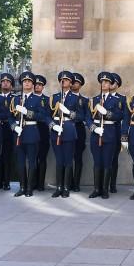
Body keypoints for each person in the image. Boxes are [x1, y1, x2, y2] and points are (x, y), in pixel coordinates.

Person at [9, 71, 51, 197]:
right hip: (18, 133)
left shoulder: (38, 99)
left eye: (29, 81)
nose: (26, 83)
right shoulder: (15, 99)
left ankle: (29, 188)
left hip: (32, 132)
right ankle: (22, 186)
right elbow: (10, 116)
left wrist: (27, 112)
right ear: (22, 84)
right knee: (20, 161)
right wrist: (14, 126)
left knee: (32, 161)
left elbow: (42, 116)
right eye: (24, 81)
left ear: (32, 84)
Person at [87, 71, 125, 199]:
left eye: (107, 82)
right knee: (97, 162)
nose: (104, 84)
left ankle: (105, 189)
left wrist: (107, 113)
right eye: (102, 82)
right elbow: (88, 118)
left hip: (109, 133)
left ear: (111, 84)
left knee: (107, 162)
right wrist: (93, 128)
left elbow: (120, 115)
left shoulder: (116, 100)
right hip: (96, 133)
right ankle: (96, 188)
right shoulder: (94, 100)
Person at [50, 70, 81, 198]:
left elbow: (81, 115)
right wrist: (52, 125)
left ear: (71, 83)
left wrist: (68, 113)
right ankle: (58, 187)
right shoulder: (54, 97)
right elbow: (47, 114)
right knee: (59, 160)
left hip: (68, 129)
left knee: (68, 160)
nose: (64, 82)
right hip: (56, 128)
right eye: (62, 80)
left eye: (67, 80)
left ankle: (66, 187)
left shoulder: (76, 98)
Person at [0, 72, 17, 191]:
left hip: (9, 129)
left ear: (11, 85)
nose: (5, 83)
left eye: (8, 82)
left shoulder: (14, 98)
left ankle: (6, 182)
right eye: (3, 81)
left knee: (7, 156)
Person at [70, 72, 87, 192]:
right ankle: (68, 181)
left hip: (79, 129)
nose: (73, 84)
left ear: (80, 85)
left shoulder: (84, 100)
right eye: (73, 82)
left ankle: (76, 183)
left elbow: (85, 116)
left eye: (76, 83)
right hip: (67, 128)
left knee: (78, 157)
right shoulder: (63, 97)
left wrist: (75, 116)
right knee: (67, 157)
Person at [108, 72, 124, 193]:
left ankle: (112, 184)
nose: (109, 84)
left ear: (117, 84)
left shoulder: (122, 99)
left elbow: (124, 116)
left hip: (116, 132)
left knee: (114, 159)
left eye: (112, 82)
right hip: (103, 132)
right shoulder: (102, 97)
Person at [34, 74, 50, 191]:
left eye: (39, 84)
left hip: (43, 130)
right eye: (36, 84)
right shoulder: (27, 98)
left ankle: (40, 183)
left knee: (42, 158)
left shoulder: (47, 100)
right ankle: (33, 182)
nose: (37, 86)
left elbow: (47, 116)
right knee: (32, 157)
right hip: (31, 129)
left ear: (43, 87)